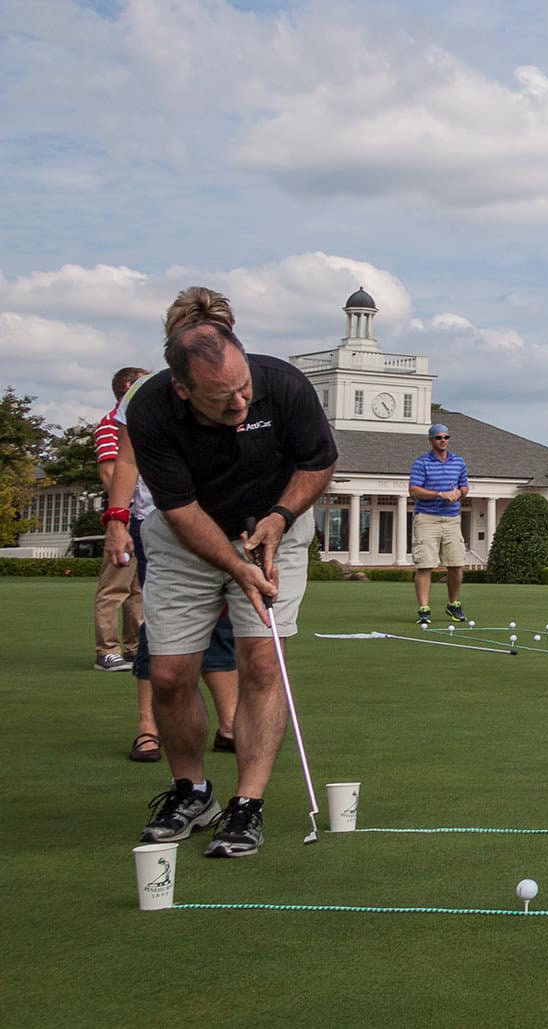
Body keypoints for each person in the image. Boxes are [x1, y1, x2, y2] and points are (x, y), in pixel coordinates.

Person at [124, 287, 337, 858]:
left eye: (244, 388)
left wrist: (280, 517)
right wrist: (237, 567)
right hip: (187, 537)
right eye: (223, 398)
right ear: (183, 389)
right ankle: (191, 792)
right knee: (169, 672)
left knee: (261, 660)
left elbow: (318, 462)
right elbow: (179, 510)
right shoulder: (149, 409)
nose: (241, 402)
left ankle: (247, 804)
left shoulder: (284, 385)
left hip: (274, 529)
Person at [100, 368, 243, 763]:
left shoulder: (225, 383)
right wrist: (117, 521)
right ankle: (148, 727)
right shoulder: (145, 393)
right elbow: (126, 460)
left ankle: (229, 725)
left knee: (223, 623)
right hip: (158, 522)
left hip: (217, 521)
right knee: (161, 626)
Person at [92, 368, 144, 672]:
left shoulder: (141, 422)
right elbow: (109, 471)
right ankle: (107, 650)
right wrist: (120, 514)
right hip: (125, 517)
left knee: (137, 588)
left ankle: (135, 647)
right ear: (127, 387)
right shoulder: (110, 424)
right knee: (115, 585)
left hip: (143, 516)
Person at [409, 422, 471, 626]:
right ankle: (424, 609)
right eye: (438, 437)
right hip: (427, 518)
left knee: (456, 565)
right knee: (425, 565)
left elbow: (464, 486)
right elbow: (414, 491)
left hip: (452, 519)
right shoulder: (421, 463)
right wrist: (439, 494)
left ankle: (453, 604)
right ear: (431, 440)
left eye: (446, 437)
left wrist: (458, 493)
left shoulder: (458, 462)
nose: (443, 440)